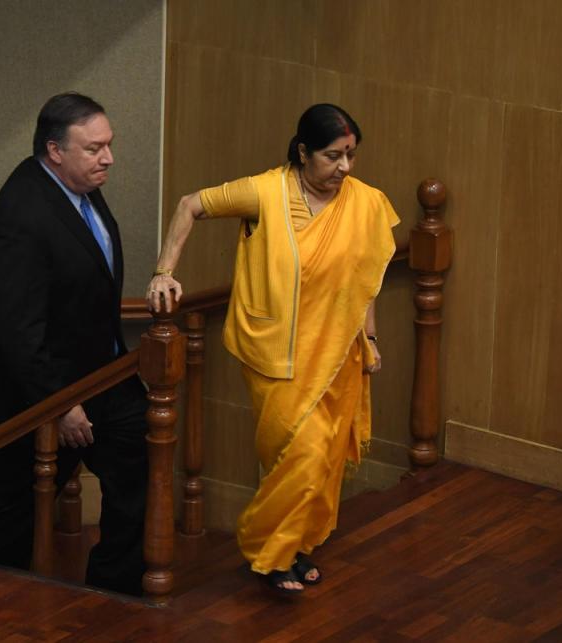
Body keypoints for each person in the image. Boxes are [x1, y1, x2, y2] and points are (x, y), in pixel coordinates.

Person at [147, 104, 398, 596]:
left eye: (350, 155)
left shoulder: (365, 203)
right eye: (332, 156)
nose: (344, 167)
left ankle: (292, 549)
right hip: (275, 354)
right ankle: (267, 546)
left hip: (338, 354)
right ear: (303, 151)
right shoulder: (264, 192)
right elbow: (189, 204)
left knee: (321, 460)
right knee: (298, 454)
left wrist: (369, 338)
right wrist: (164, 270)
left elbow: (365, 282)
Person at [0, 92, 149, 596]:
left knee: (139, 468)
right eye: (94, 149)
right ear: (55, 150)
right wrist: (60, 404)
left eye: (109, 145)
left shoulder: (80, 185)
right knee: (12, 508)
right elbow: (19, 331)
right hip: (36, 395)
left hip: (105, 377)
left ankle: (114, 592)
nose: (108, 158)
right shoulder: (17, 217)